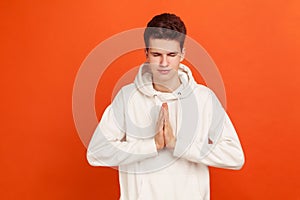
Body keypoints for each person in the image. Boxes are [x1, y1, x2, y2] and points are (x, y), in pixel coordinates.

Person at [87, 13, 245, 200]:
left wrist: (178, 145)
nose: (164, 63)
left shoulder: (203, 99)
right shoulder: (127, 97)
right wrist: (152, 145)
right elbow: (96, 153)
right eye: (156, 54)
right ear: (146, 54)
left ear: (182, 54)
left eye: (171, 55)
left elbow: (235, 157)